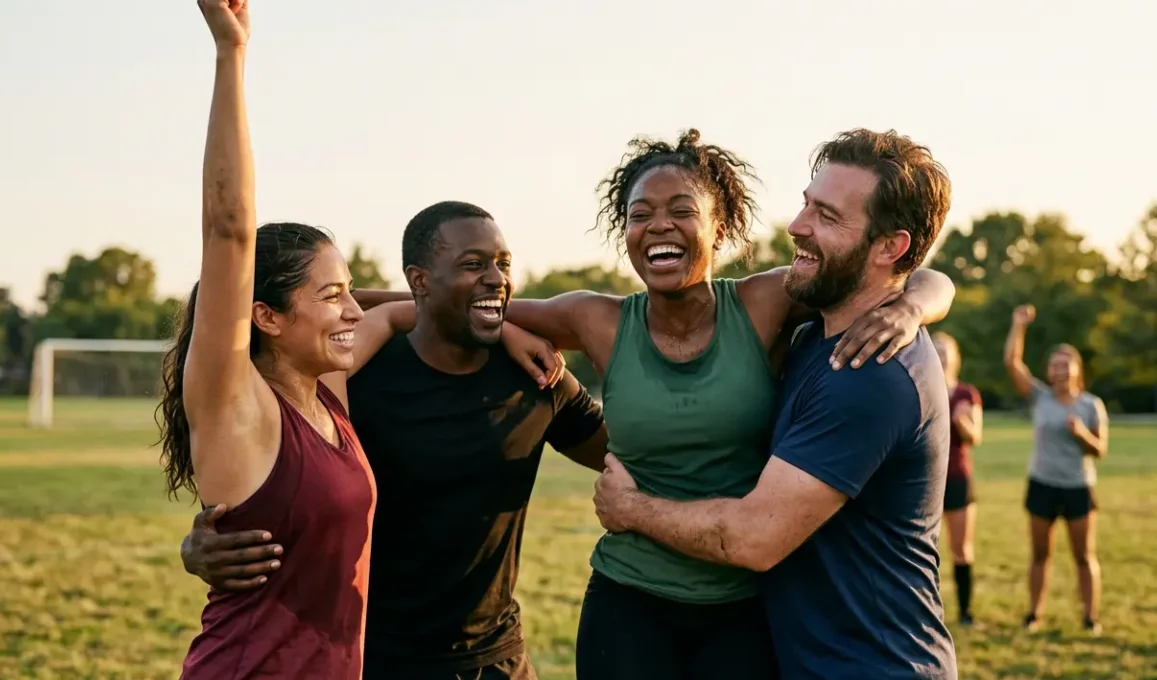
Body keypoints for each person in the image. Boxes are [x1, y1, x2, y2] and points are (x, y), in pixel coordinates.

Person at [352, 129, 958, 679]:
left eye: (681, 211)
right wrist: (352, 302)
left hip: (741, 611)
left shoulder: (769, 303)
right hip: (628, 604)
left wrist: (913, 305)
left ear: (719, 229)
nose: (658, 225)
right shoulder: (597, 319)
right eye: (640, 214)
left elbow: (905, 274)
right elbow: (461, 304)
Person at [180, 199, 610, 680]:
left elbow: (625, 458)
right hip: (373, 659)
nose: (495, 278)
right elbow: (267, 479)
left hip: (497, 662)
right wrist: (201, 541)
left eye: (503, 264)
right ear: (419, 280)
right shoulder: (351, 375)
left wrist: (502, 323)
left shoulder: (537, 378)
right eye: (472, 265)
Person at [591, 128, 958, 679]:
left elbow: (751, 538)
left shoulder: (868, 374)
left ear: (890, 248)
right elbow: (929, 278)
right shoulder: (818, 331)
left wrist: (630, 509)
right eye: (807, 204)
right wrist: (918, 301)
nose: (797, 226)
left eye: (828, 217)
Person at [165, 3, 383, 677]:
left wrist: (511, 317)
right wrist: (231, 56)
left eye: (352, 291)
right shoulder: (240, 407)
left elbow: (405, 313)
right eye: (331, 295)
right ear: (264, 317)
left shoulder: (328, 394)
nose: (353, 309)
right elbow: (228, 228)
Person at [1003, 304, 1108, 635]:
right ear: (1049, 371)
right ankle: (1034, 614)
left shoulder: (1091, 405)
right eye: (1055, 365)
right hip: (1042, 484)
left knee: (1083, 556)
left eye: (1066, 365)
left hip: (1078, 486)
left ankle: (1090, 618)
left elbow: (1101, 449)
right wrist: (1018, 325)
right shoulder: (1040, 397)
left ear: (1077, 369)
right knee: (1039, 555)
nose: (1060, 370)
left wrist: (1082, 435)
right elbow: (1011, 363)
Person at [932, 331, 983, 626]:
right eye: (935, 349)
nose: (940, 355)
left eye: (945, 351)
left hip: (957, 478)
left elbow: (975, 437)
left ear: (955, 358)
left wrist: (961, 422)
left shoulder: (966, 394)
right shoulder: (919, 385)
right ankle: (928, 612)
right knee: (925, 551)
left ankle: (965, 612)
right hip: (926, 481)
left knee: (962, 548)